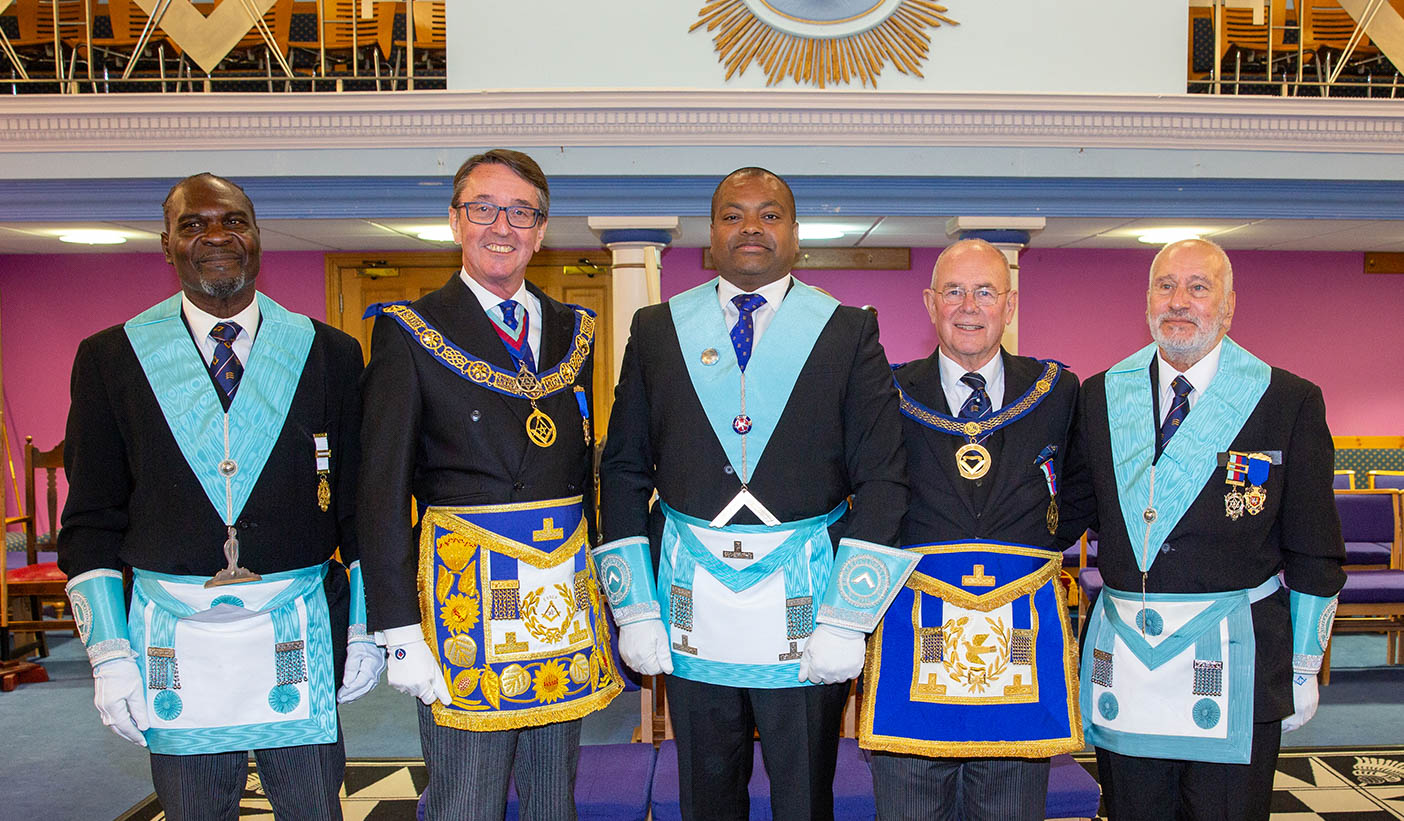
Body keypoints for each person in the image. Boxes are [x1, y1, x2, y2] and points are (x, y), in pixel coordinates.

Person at [58, 173, 381, 820]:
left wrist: (365, 627)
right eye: (193, 224)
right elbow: (91, 519)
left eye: (233, 221)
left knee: (315, 808)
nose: (215, 235)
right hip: (175, 639)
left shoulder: (330, 353)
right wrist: (107, 652)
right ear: (166, 244)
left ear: (258, 237)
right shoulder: (111, 359)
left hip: (299, 627)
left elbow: (359, 507)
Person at [596, 167, 911, 820]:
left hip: (809, 602)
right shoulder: (658, 329)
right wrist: (635, 606)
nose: (751, 228)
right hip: (689, 605)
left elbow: (883, 479)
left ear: (795, 232)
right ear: (710, 233)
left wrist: (847, 615)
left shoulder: (847, 331)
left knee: (803, 799)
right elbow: (623, 468)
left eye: (769, 214)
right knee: (706, 799)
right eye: (733, 214)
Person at [358, 149, 622, 820]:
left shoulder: (573, 330)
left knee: (549, 797)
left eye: (521, 211)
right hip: (462, 606)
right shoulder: (410, 331)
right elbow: (381, 489)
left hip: (558, 601)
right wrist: (396, 627)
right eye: (482, 208)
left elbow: (583, 468)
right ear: (455, 221)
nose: (500, 225)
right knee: (465, 801)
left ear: (540, 229)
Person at [1068, 238, 1345, 820]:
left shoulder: (1287, 400)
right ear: (1147, 298)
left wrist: (1302, 665)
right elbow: (1069, 511)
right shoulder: (1099, 395)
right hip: (1130, 651)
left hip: (1236, 656)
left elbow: (1315, 547)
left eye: (1199, 287)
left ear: (1229, 304)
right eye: (1165, 285)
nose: (1179, 301)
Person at [860, 239, 1089, 820]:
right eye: (954, 292)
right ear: (930, 303)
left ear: (1009, 305)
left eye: (985, 292)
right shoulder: (885, 393)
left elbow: (1080, 493)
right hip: (914, 637)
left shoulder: (1057, 391)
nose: (969, 306)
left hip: (1019, 637)